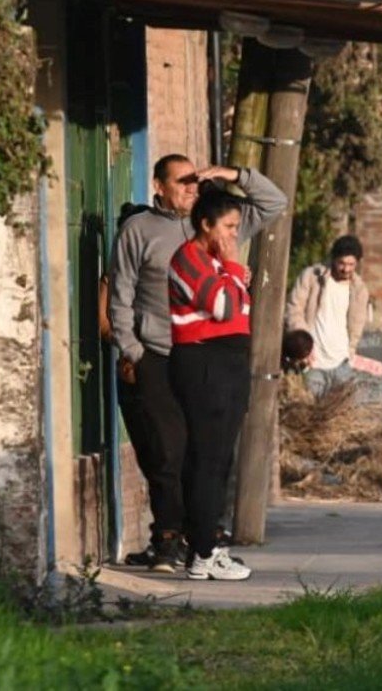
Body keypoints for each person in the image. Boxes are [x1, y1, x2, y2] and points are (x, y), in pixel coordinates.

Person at [107, 154, 285, 573]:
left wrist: (233, 174)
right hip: (159, 351)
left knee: (207, 452)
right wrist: (131, 349)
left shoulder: (217, 224)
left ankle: (204, 537)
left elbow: (274, 203)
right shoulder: (141, 231)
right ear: (158, 186)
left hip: (208, 357)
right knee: (167, 450)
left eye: (194, 181)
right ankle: (169, 537)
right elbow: (121, 293)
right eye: (181, 182)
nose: (190, 187)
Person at [167, 186, 281, 581]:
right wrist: (233, 269)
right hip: (204, 362)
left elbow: (237, 308)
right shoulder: (190, 259)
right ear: (206, 224)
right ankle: (202, 551)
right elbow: (224, 307)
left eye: (237, 228)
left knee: (219, 461)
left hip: (228, 364)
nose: (235, 235)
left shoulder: (217, 264)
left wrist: (231, 272)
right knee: (207, 461)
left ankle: (207, 542)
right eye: (229, 227)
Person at [285, 235, 370, 394]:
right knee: (309, 412)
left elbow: (357, 327)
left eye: (351, 264)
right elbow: (293, 309)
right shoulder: (312, 277)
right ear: (333, 259)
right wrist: (303, 347)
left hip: (342, 362)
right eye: (342, 263)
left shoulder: (360, 290)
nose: (346, 269)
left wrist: (350, 352)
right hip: (313, 362)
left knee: (342, 415)